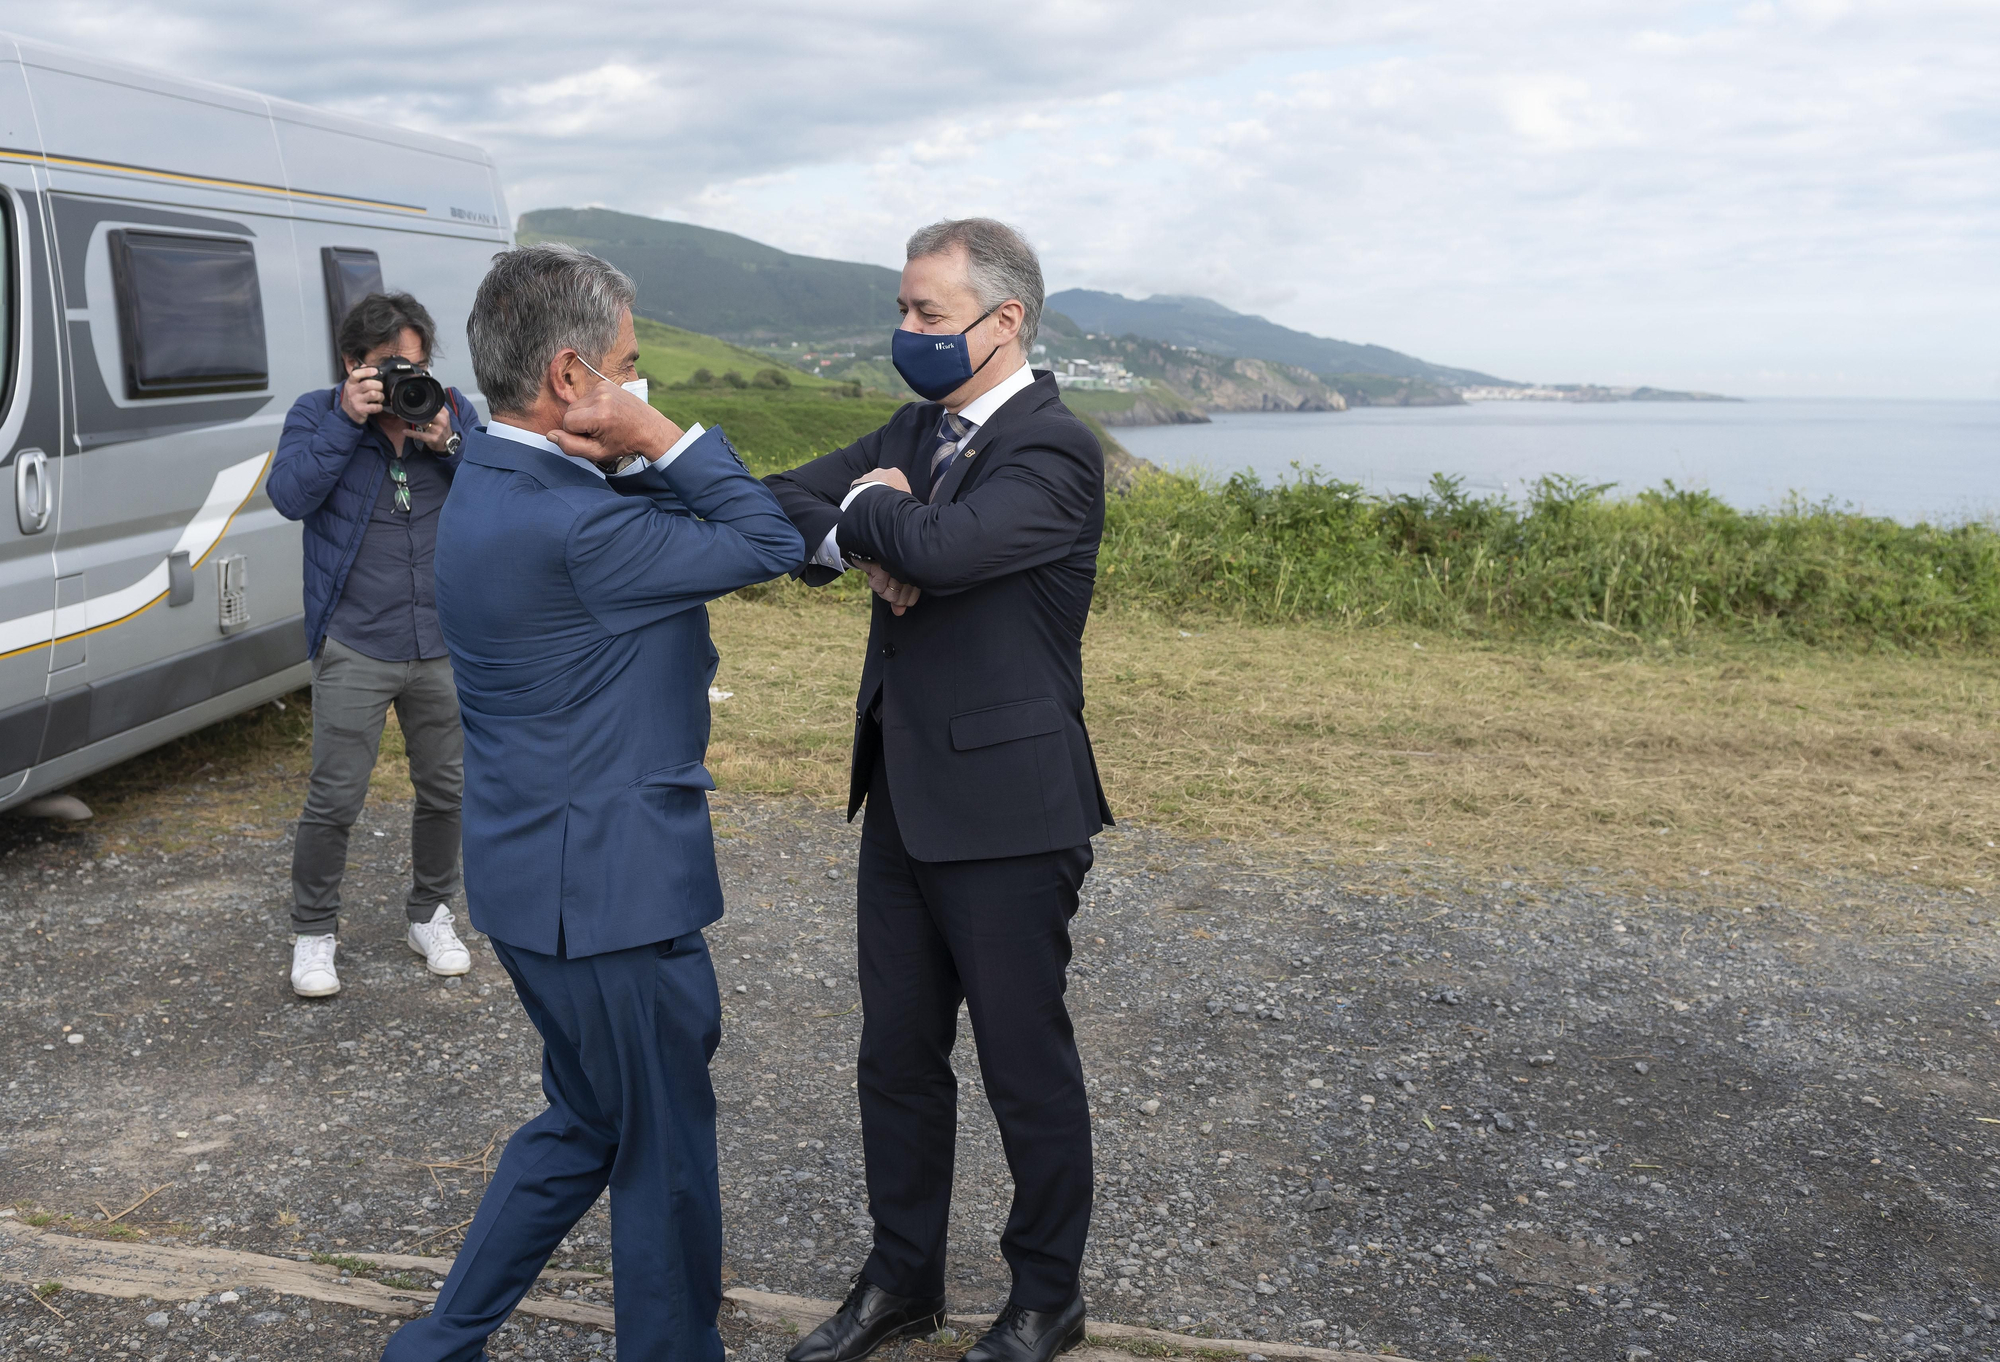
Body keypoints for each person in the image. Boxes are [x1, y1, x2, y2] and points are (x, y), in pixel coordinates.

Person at [379, 244, 802, 1362]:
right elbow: (766, 541)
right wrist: (660, 438)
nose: (637, 384)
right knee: (659, 1151)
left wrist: (633, 449)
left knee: (585, 1122)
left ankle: (439, 1343)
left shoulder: (503, 481)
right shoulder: (577, 525)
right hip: (611, 892)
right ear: (571, 377)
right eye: (626, 366)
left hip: (537, 877)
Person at [766, 219, 1112, 1362]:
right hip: (903, 802)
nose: (904, 332)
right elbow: (780, 499)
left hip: (1012, 814)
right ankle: (901, 1280)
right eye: (903, 310)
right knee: (895, 1060)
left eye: (926, 313)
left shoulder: (1053, 449)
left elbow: (953, 552)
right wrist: (868, 533)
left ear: (1002, 320)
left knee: (1024, 1067)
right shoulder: (916, 429)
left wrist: (879, 520)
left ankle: (1044, 1297)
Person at [267, 292, 480, 998]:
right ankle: (314, 934)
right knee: (334, 799)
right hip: (355, 641)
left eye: (413, 365)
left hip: (442, 641)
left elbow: (499, 498)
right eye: (386, 366)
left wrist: (448, 441)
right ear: (352, 365)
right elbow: (290, 495)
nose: (402, 380)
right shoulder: (315, 414)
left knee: (447, 791)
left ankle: (431, 914)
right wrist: (344, 422)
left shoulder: (448, 408)